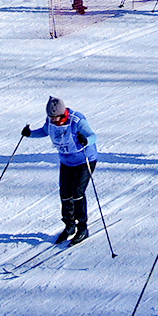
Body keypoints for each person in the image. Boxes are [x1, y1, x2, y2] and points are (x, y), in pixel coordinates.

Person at [23, 97, 98, 244]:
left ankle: (82, 228)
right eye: (51, 117)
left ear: (63, 113)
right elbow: (45, 131)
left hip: (84, 160)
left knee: (77, 193)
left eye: (56, 117)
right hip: (66, 161)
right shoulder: (50, 121)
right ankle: (70, 226)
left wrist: (86, 140)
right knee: (65, 194)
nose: (54, 120)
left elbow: (93, 136)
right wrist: (30, 134)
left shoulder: (76, 120)